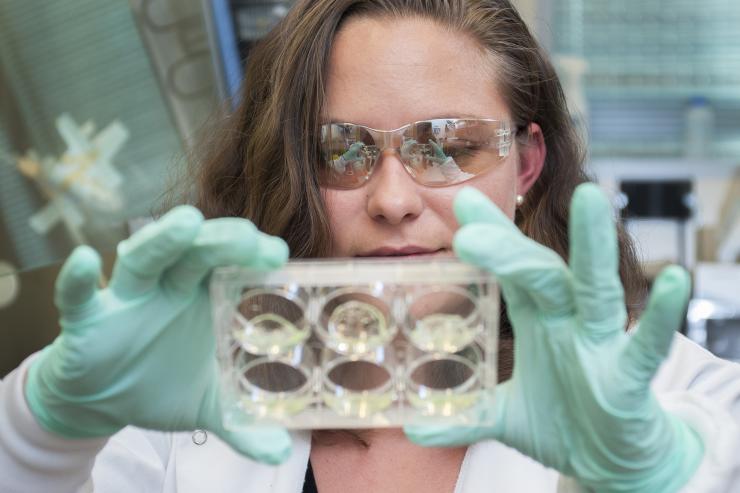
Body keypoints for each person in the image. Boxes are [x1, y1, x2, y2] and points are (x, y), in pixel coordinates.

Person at [1, 1, 739, 491]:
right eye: (341, 150)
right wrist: (40, 430)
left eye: (449, 146)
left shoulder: (674, 402)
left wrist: (662, 476)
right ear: (291, 170)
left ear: (527, 164)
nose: (391, 200)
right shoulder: (175, 411)